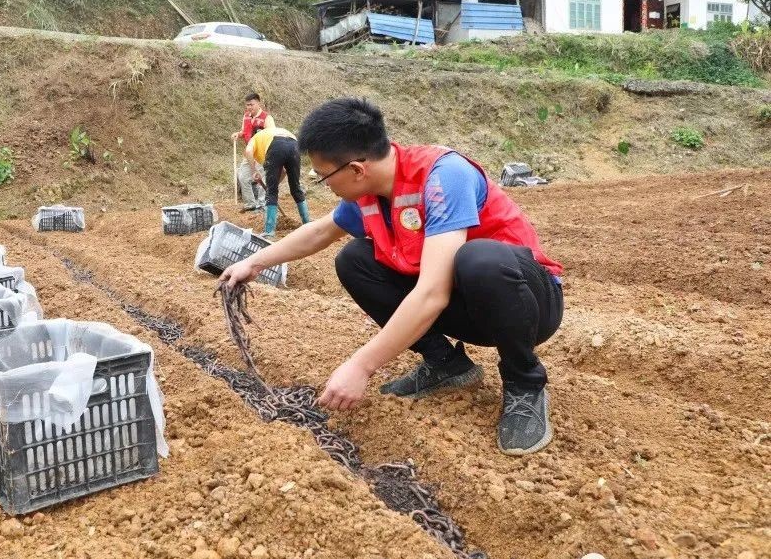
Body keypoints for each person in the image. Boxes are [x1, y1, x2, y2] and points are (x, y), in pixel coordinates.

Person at [220, 98, 564, 455]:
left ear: (356, 169)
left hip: (525, 303)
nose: (325, 186)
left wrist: (361, 366)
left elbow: (432, 293)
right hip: (466, 304)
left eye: (324, 176)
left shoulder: (443, 177)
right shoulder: (369, 192)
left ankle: (525, 383)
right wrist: (256, 262)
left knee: (479, 259)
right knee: (354, 258)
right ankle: (445, 365)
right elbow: (321, 232)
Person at [243, 126, 311, 240]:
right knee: (296, 188)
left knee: (272, 192)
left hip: (275, 145)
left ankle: (269, 232)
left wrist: (254, 171)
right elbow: (283, 171)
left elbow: (248, 151)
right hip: (294, 145)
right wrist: (274, 183)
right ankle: (308, 225)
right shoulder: (269, 133)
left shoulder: (254, 138)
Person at [231, 92, 274, 211]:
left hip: (262, 154)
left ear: (258, 103)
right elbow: (244, 132)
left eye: (252, 104)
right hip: (249, 153)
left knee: (261, 179)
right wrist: (238, 134)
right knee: (243, 176)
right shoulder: (246, 116)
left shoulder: (267, 118)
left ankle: (262, 204)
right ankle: (250, 203)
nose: (249, 107)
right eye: (247, 105)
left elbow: (272, 136)